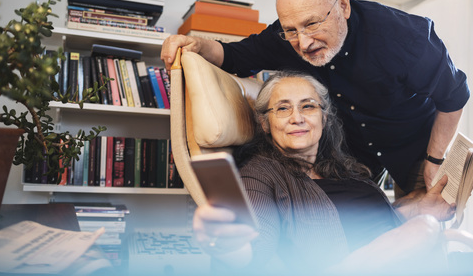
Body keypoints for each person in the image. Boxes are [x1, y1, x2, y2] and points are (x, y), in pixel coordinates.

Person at [161, 0, 470, 199]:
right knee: (365, 222)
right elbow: (234, 56)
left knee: (428, 222)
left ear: (344, 7)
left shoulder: (405, 37)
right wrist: (197, 45)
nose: (304, 42)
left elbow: (454, 96)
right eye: (291, 30)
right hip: (351, 152)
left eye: (312, 24)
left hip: (418, 144)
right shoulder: (287, 35)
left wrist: (434, 159)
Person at [192, 71, 456, 275]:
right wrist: (227, 245)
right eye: (283, 108)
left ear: (324, 117)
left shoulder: (343, 166)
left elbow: (374, 221)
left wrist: (421, 207)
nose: (297, 117)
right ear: (265, 123)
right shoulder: (261, 173)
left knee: (426, 225)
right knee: (426, 229)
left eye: (308, 106)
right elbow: (253, 250)